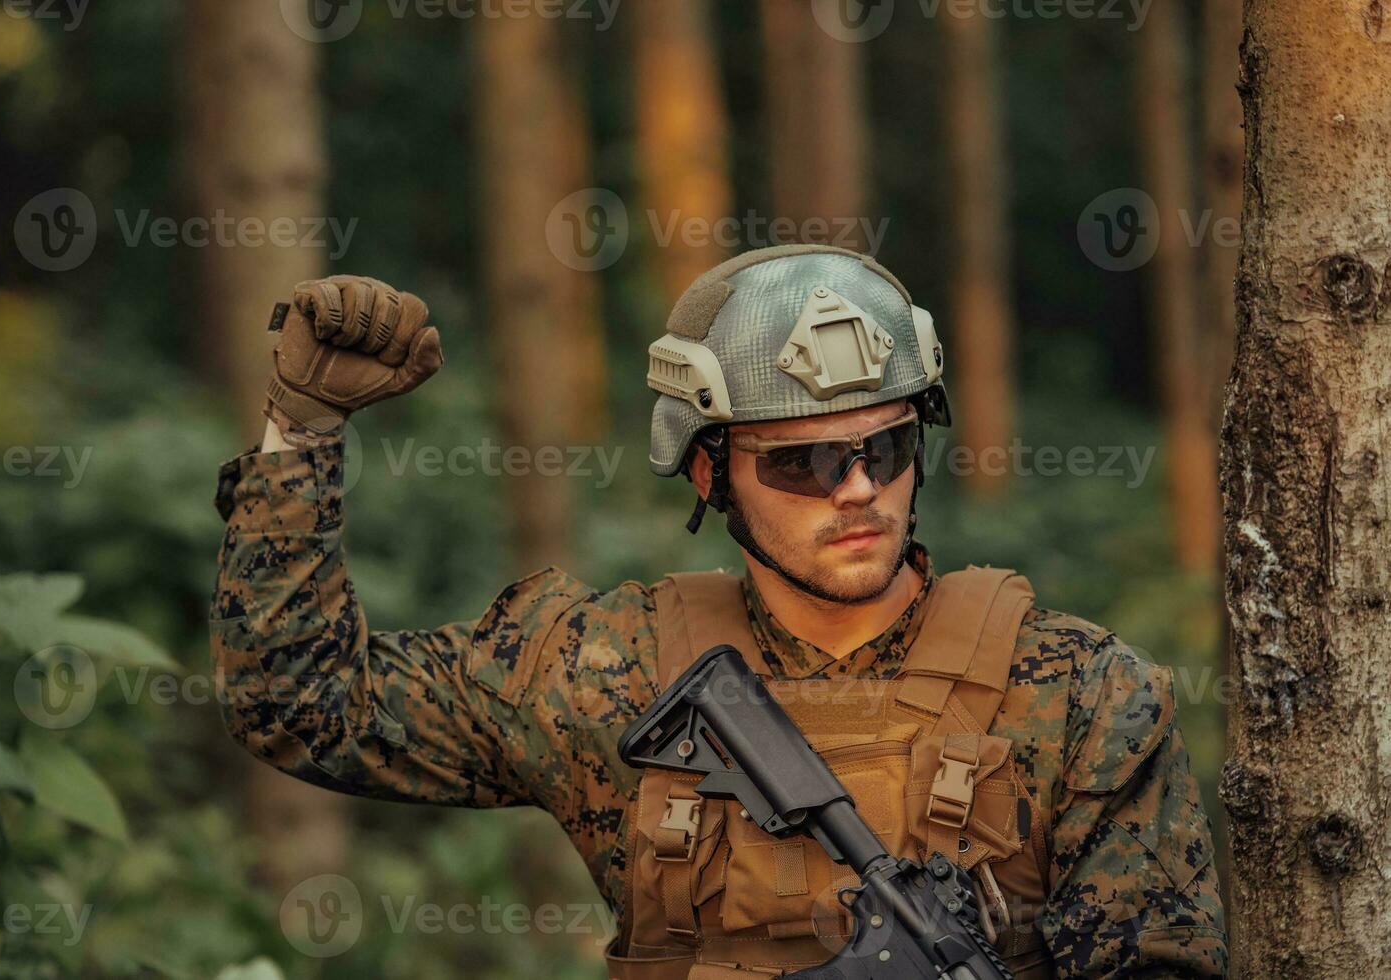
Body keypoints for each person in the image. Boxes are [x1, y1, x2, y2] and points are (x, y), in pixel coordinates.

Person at [211, 244, 1228, 978]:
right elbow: (304, 703)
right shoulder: (608, 667)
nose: (857, 488)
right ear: (710, 470)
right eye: (805, 460)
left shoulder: (1079, 692)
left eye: (886, 447)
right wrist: (300, 437)